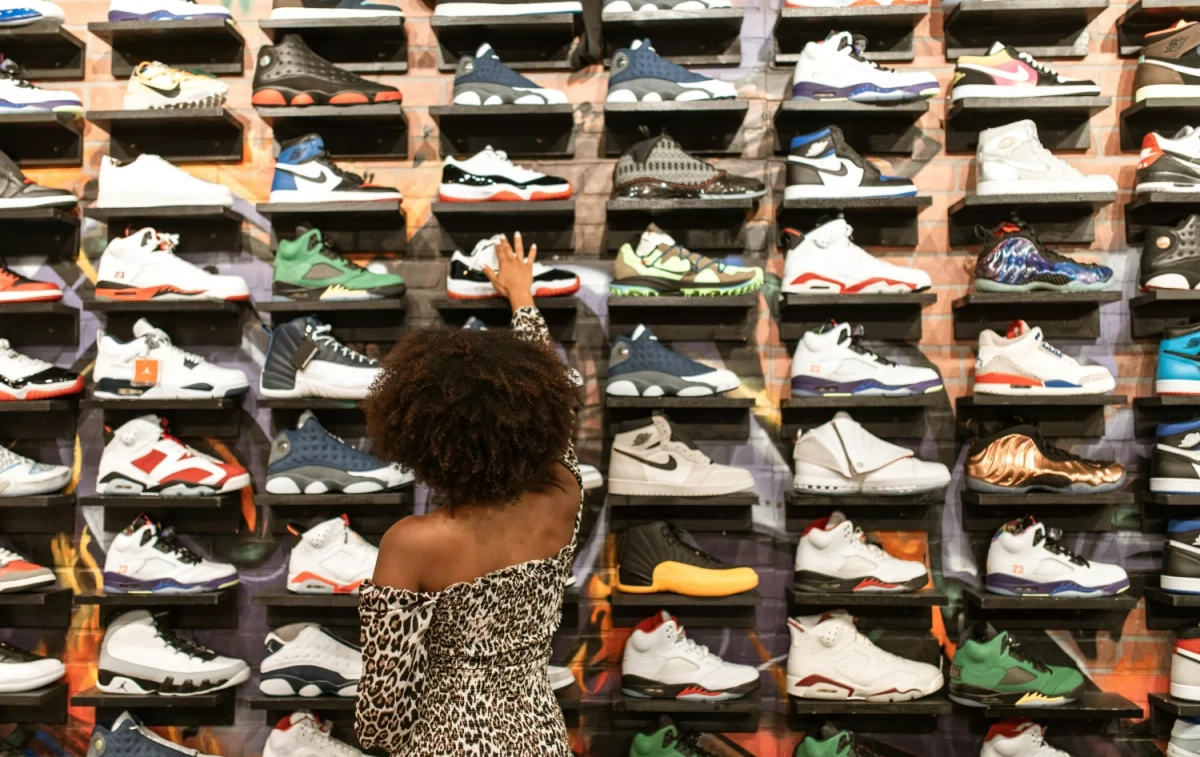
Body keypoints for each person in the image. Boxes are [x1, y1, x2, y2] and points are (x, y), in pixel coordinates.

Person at [356, 232, 581, 757]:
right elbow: (557, 417)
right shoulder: (563, 495)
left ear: (422, 440)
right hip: (540, 736)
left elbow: (384, 707)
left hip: (444, 741)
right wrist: (522, 299)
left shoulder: (413, 543)